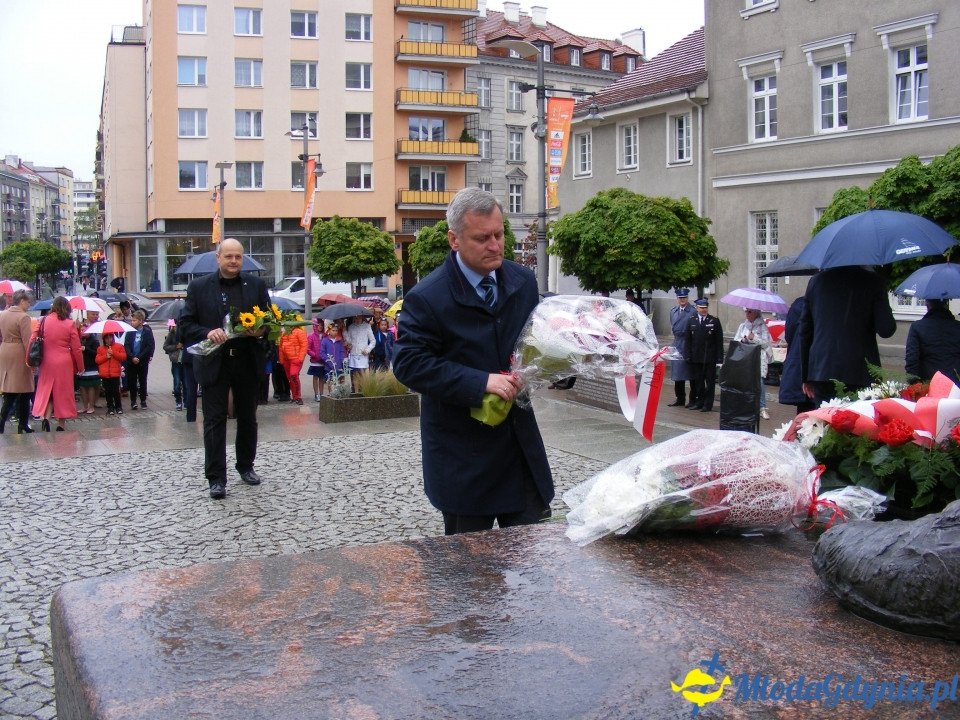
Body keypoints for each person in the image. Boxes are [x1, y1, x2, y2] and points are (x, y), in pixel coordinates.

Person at [393, 187, 554, 535]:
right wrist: (480, 382)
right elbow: (408, 364)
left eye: (499, 234)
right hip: (463, 459)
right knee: (471, 579)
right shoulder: (427, 297)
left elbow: (534, 342)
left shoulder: (522, 280)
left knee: (535, 567)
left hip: (519, 452)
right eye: (482, 238)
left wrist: (553, 367)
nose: (495, 245)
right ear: (454, 239)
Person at [179, 238, 271, 499]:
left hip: (246, 359)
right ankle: (216, 477)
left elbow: (271, 322)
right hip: (214, 362)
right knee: (214, 420)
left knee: (247, 418)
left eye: (238, 257)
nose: (233, 261)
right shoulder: (198, 287)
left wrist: (261, 330)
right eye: (228, 256)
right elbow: (185, 326)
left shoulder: (255, 285)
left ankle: (246, 466)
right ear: (218, 258)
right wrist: (208, 332)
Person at [800, 266, 896, 408]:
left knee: (825, 425)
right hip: (861, 371)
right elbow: (886, 329)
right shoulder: (873, 281)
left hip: (823, 369)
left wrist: (806, 376)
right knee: (860, 426)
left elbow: (805, 331)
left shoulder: (816, 282)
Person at [29, 296, 83, 432]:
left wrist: (29, 361)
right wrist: (81, 366)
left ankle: (46, 418)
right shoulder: (69, 323)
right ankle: (61, 424)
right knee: (62, 392)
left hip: (46, 361)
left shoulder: (42, 320)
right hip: (64, 362)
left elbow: (32, 340)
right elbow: (76, 348)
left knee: (48, 391)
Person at [0, 289, 36, 433]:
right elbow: (28, 341)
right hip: (19, 352)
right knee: (25, 389)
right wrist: (31, 361)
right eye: (27, 302)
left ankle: (2, 421)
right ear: (22, 301)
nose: (28, 305)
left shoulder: (3, 314)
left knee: (9, 389)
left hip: (5, 349)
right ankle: (23, 423)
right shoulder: (23, 317)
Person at [905, 299, 960, 384]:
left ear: (928, 306)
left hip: (927, 384)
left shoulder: (917, 327)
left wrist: (914, 385)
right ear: (946, 305)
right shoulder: (957, 327)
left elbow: (912, 360)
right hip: (955, 384)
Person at [684, 297, 724, 412]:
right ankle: (699, 402)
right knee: (698, 383)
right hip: (696, 358)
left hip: (710, 358)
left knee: (710, 383)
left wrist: (719, 359)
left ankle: (708, 404)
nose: (704, 310)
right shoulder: (692, 320)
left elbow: (719, 341)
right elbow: (688, 340)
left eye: (705, 308)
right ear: (697, 308)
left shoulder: (714, 321)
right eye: (701, 308)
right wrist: (688, 355)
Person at [733, 307, 773, 419]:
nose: (747, 314)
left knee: (759, 382)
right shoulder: (743, 326)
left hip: (758, 358)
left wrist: (754, 338)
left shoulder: (762, 326)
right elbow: (735, 340)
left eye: (750, 312)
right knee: (745, 381)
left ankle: (762, 407)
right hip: (746, 358)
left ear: (756, 312)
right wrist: (742, 340)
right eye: (746, 311)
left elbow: (766, 343)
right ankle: (747, 405)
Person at [778, 297, 815, 414]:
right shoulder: (827, 303)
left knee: (804, 418)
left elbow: (790, 335)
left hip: (800, 366)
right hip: (818, 368)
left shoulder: (799, 305)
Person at [668, 288, 695, 407]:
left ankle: (693, 399)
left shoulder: (692, 311)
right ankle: (680, 398)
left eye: (684, 298)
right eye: (680, 298)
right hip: (677, 343)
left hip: (688, 343)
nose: (682, 300)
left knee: (690, 373)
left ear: (687, 298)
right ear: (677, 299)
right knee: (677, 374)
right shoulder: (673, 311)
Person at [123, 310, 155, 409]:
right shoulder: (130, 332)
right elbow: (127, 345)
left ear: (140, 321)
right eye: (131, 320)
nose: (132, 322)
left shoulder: (146, 331)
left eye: (134, 320)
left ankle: (143, 400)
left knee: (142, 380)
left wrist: (140, 357)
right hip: (131, 361)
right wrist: (132, 357)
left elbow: (149, 346)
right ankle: (133, 401)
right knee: (132, 381)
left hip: (142, 361)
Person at [77, 310, 102, 414]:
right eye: (82, 329)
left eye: (85, 330)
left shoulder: (94, 340)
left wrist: (85, 349)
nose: (83, 331)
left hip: (92, 366)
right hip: (83, 366)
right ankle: (85, 406)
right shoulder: (80, 339)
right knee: (82, 387)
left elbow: (96, 353)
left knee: (91, 386)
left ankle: (91, 405)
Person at [95, 332, 126, 415]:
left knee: (116, 391)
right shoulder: (100, 349)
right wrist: (106, 356)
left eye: (110, 338)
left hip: (115, 373)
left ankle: (118, 406)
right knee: (108, 391)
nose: (108, 340)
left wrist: (114, 353)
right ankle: (110, 407)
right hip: (105, 374)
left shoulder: (119, 346)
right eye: (106, 338)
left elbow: (123, 357)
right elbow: (97, 360)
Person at [344, 314, 376, 392]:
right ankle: (356, 391)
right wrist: (344, 331)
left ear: (362, 318)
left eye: (359, 318)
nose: (357, 319)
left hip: (363, 354)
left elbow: (373, 341)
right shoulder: (351, 327)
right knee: (355, 374)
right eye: (355, 318)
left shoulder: (367, 327)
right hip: (354, 353)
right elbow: (349, 340)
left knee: (363, 373)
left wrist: (367, 350)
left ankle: (364, 390)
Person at [278, 324, 308, 405]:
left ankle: (298, 397)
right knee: (290, 378)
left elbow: (304, 345)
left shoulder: (300, 332)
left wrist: (300, 359)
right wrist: (282, 360)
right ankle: (294, 397)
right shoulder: (284, 332)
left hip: (295, 359)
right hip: (286, 359)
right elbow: (281, 347)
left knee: (294, 375)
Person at [163, 319, 185, 411]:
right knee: (177, 383)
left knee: (186, 383)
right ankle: (178, 402)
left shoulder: (186, 334)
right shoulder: (172, 334)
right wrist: (176, 347)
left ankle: (187, 401)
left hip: (185, 362)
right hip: (176, 361)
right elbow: (165, 346)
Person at [320, 322, 347, 395]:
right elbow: (322, 353)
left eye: (336, 331)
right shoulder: (325, 341)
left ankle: (340, 394)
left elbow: (342, 351)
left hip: (338, 365)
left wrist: (341, 360)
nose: (335, 332)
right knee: (330, 381)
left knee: (340, 380)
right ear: (329, 331)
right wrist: (328, 361)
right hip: (329, 366)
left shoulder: (339, 340)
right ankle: (332, 394)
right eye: (333, 330)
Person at [306, 319, 325, 401]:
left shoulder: (324, 336)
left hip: (323, 360)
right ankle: (316, 394)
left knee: (322, 378)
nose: (320, 327)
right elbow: (308, 348)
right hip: (315, 361)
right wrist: (315, 355)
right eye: (318, 325)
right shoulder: (311, 336)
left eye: (321, 325)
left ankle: (322, 393)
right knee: (315, 377)